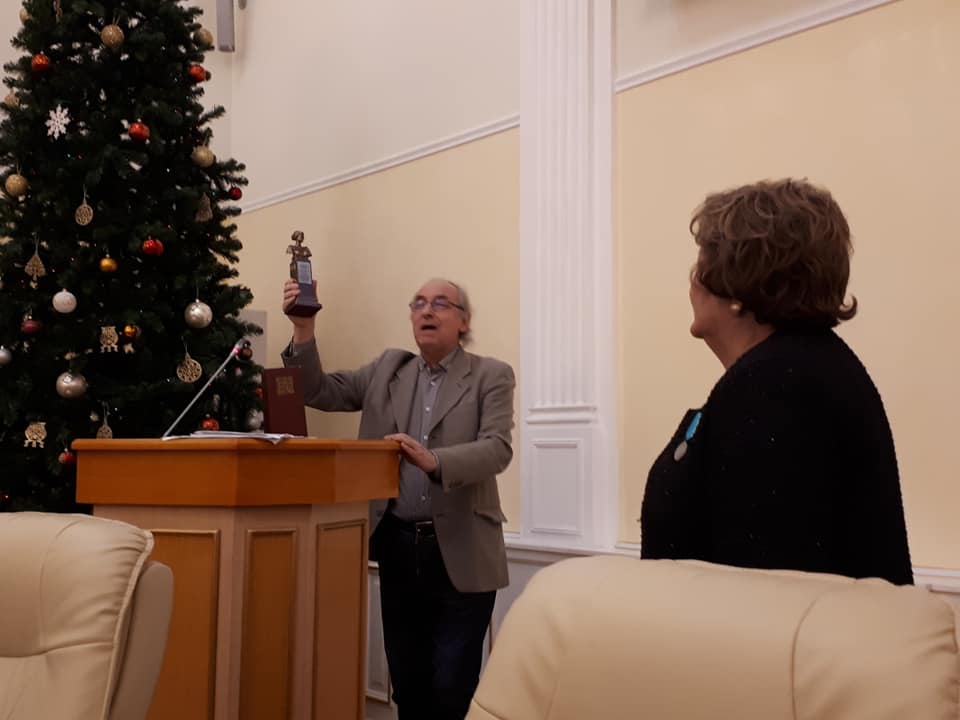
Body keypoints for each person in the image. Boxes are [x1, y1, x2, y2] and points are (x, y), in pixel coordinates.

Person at [640, 178, 913, 585]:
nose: (692, 282)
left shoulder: (776, 386)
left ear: (738, 284)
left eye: (702, 265)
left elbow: (763, 591)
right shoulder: (800, 369)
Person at [281, 276, 515, 719]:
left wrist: (435, 461)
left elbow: (497, 448)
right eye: (419, 303)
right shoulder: (388, 369)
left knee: (451, 686)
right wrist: (303, 329)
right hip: (399, 547)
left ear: (464, 321)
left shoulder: (491, 375)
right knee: (407, 682)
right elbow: (316, 390)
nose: (427, 311)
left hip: (463, 551)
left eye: (441, 304)